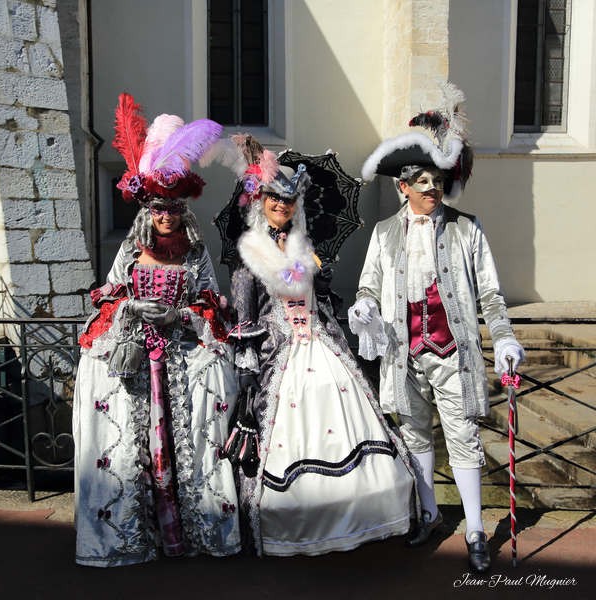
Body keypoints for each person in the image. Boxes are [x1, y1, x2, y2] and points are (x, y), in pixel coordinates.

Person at [210, 134, 416, 557]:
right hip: (277, 352)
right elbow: (246, 314)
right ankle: (293, 525)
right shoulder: (248, 254)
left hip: (321, 343)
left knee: (341, 400)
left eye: (288, 202)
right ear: (261, 201)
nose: (281, 208)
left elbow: (319, 304)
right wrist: (247, 364)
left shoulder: (306, 247)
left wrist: (319, 282)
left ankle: (368, 515)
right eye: (274, 200)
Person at [349, 83, 524, 574]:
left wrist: (505, 336)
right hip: (404, 353)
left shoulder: (468, 229)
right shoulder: (384, 234)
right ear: (402, 186)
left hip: (454, 352)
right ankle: (427, 514)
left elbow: (489, 294)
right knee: (416, 436)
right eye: (420, 181)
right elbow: (368, 287)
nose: (430, 189)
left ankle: (473, 528)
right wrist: (363, 310)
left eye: (437, 181)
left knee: (463, 436)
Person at [73, 94, 240, 567]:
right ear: (146, 211)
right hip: (137, 363)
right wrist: (130, 307)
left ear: (183, 210)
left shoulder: (193, 253)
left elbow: (211, 303)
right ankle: (136, 536)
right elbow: (108, 295)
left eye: (171, 207)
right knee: (134, 442)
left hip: (182, 359)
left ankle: (186, 535)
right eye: (157, 208)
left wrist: (179, 316)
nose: (165, 215)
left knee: (184, 441)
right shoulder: (130, 251)